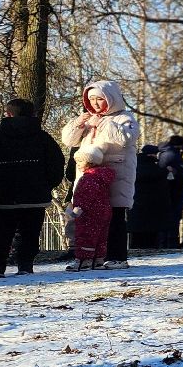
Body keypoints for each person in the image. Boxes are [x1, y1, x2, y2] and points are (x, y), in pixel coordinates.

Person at [0, 98, 64, 278]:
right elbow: (57, 162)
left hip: (6, 193)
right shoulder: (43, 137)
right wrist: (46, 184)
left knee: (2, 232)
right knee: (30, 232)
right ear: (33, 114)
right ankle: (25, 265)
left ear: (8, 114)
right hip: (35, 194)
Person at [60, 80, 140, 270]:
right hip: (89, 177)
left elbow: (126, 139)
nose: (95, 103)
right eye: (91, 99)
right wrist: (78, 124)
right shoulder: (89, 119)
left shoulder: (125, 118)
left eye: (99, 99)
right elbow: (68, 140)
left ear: (110, 99)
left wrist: (105, 123)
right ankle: (87, 255)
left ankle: (117, 257)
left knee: (115, 216)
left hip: (116, 176)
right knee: (86, 218)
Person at [67, 146, 116, 272]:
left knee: (85, 236)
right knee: (100, 237)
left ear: (90, 162)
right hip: (103, 211)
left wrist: (79, 208)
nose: (77, 165)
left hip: (89, 213)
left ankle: (84, 261)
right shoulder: (101, 177)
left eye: (80, 162)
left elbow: (87, 196)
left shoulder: (89, 178)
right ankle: (98, 260)